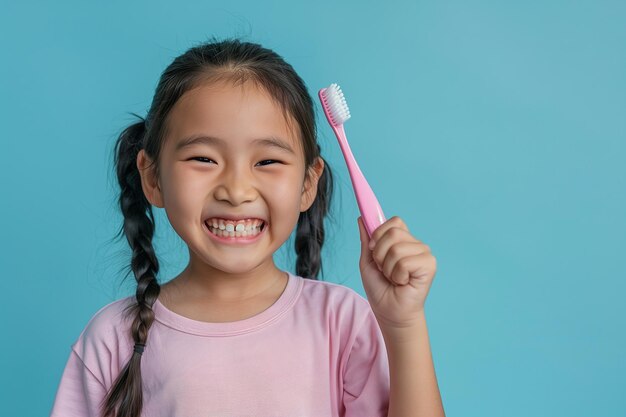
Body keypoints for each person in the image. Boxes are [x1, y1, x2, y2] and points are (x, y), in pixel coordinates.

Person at [50, 37, 444, 417]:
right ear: (152, 178)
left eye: (267, 162)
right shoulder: (111, 339)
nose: (236, 191)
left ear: (308, 183)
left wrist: (404, 325)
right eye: (203, 159)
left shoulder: (343, 323)